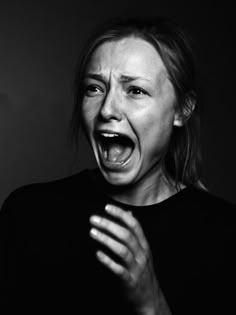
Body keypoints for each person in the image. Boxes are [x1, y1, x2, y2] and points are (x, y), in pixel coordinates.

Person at [0, 17, 235, 314]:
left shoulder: (223, 235)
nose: (108, 109)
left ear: (182, 109)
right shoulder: (29, 213)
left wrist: (152, 304)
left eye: (135, 90)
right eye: (94, 89)